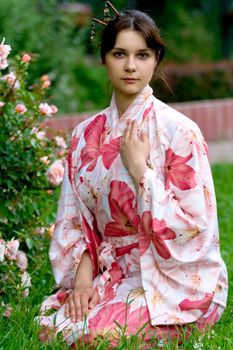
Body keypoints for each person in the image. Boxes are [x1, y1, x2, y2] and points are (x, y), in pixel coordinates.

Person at [38, 6, 228, 347]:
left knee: (97, 339)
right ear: (104, 58)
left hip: (174, 278)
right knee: (54, 330)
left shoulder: (180, 132)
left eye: (142, 55)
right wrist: (82, 282)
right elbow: (74, 221)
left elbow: (196, 227)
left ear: (156, 59)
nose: (130, 66)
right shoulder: (84, 136)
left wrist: (142, 171)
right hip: (111, 272)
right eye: (119, 54)